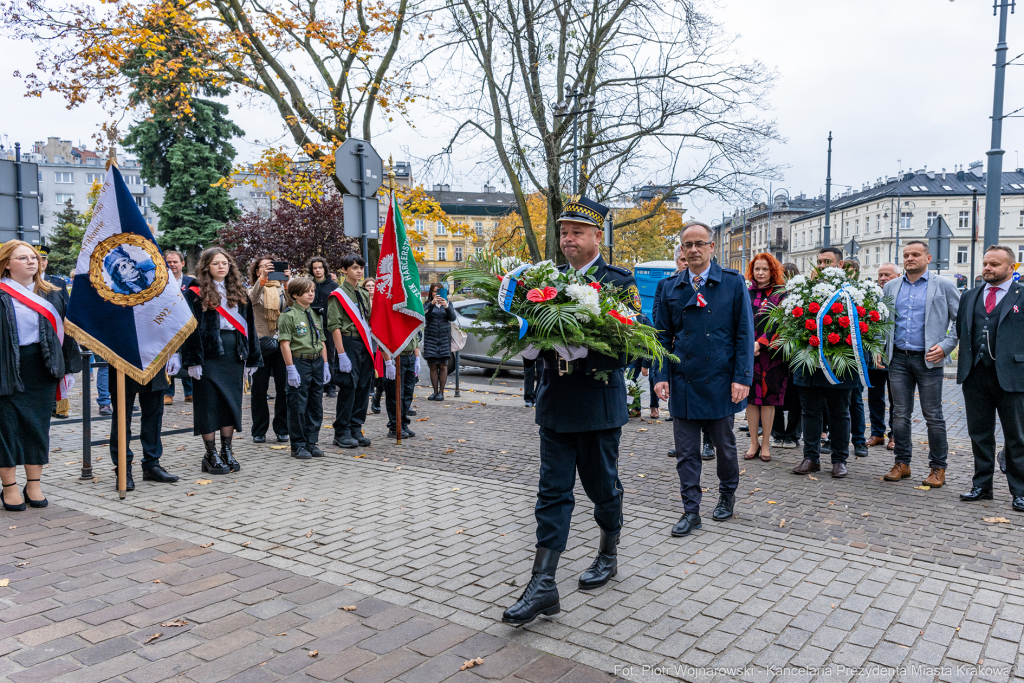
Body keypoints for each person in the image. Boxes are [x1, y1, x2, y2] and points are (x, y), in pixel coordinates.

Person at [503, 196, 636, 626]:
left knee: (603, 490)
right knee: (552, 493)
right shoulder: (545, 279)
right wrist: (529, 343)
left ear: (598, 236)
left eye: (577, 232)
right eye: (563, 231)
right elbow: (529, 333)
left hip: (598, 404)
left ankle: (608, 552)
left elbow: (630, 348)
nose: (568, 239)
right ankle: (543, 584)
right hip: (556, 401)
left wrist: (584, 350)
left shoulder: (619, 282)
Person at [653, 222, 754, 537]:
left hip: (721, 380)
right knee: (685, 452)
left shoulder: (733, 284)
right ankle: (690, 510)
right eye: (688, 244)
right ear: (681, 250)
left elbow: (744, 335)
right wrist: (660, 376)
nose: (694, 249)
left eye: (700, 243)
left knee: (724, 447)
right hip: (683, 380)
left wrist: (742, 378)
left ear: (712, 247)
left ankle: (727, 492)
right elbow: (661, 337)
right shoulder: (669, 287)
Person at [0, 241, 81, 511]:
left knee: (37, 427)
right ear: (7, 263)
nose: (32, 262)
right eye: (22, 258)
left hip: (42, 365)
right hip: (6, 365)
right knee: (7, 428)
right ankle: (9, 487)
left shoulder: (53, 293)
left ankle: (33, 483)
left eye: (34, 257)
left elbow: (67, 333)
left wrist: (68, 368)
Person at [882, 241, 960, 489]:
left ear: (928, 257)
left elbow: (960, 321)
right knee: (900, 415)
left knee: (933, 416)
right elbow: (882, 321)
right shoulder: (892, 286)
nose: (910, 259)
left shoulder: (944, 285)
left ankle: (938, 468)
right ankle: (902, 464)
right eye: (906, 255)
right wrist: (880, 349)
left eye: (915, 254)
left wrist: (946, 346)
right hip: (899, 360)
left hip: (930, 360)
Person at [182, 247, 262, 474]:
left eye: (225, 263)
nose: (221, 267)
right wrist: (193, 360)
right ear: (206, 266)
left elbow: (250, 327)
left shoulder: (239, 291)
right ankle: (210, 454)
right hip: (207, 354)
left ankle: (227, 450)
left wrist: (253, 358)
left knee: (230, 403)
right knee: (208, 405)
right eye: (216, 263)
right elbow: (190, 329)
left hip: (233, 352)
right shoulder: (195, 292)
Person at [956, 245, 1024, 512]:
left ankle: (1020, 491)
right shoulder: (970, 296)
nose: (987, 268)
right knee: (979, 434)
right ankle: (982, 486)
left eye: (994, 265)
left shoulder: (1021, 295)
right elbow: (964, 331)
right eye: (985, 263)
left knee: (1017, 437)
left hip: (1012, 376)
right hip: (975, 374)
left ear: (1011, 268)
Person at [792, 247, 857, 478]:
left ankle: (839, 460)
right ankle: (811, 457)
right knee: (810, 412)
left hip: (839, 364)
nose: (821, 266)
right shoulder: (805, 290)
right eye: (819, 262)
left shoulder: (852, 292)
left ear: (840, 265)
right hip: (809, 362)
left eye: (827, 261)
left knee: (840, 412)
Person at [657, 246, 715, 460]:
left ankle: (708, 442)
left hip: (705, 355)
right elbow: (659, 317)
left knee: (707, 402)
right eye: (681, 259)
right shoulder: (667, 285)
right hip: (679, 355)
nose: (685, 262)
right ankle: (683, 442)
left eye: (686, 259)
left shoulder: (708, 284)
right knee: (681, 404)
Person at [109, 355, 182, 489]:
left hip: (153, 357)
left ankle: (151, 464)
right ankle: (123, 468)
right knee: (121, 416)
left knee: (154, 414)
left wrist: (173, 352)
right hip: (123, 357)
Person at [278, 277, 331, 459]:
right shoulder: (288, 315)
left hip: (316, 361)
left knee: (315, 404)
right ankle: (298, 444)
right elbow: (285, 343)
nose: (311, 294)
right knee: (298, 404)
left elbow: (322, 340)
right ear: (295, 294)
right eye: (307, 290)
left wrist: (325, 364)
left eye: (313, 290)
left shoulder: (315, 314)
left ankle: (311, 442)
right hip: (299, 361)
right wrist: (290, 368)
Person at [328, 253, 374, 449]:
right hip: (348, 343)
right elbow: (334, 326)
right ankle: (342, 431)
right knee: (349, 387)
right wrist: (341, 354)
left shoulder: (363, 294)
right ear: (344, 270)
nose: (359, 271)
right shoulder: (338, 295)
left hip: (364, 344)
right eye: (354, 267)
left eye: (361, 267)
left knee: (363, 387)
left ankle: (356, 426)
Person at [745, 253, 787, 462]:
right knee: (751, 399)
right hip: (747, 353)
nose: (760, 273)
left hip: (772, 354)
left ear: (773, 271)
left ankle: (767, 444)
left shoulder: (782, 294)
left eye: (765, 269)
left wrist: (760, 343)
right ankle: (754, 442)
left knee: (768, 399)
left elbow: (781, 324)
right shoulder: (746, 292)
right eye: (757, 269)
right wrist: (747, 345)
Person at [248, 255, 291, 444]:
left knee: (283, 388)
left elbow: (294, 305)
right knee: (259, 389)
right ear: (257, 271)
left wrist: (288, 283)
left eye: (271, 267)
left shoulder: (284, 289)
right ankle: (259, 430)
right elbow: (250, 300)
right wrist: (262, 280)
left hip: (282, 343)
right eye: (263, 267)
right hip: (261, 345)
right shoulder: (255, 289)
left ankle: (282, 428)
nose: (268, 270)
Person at [867, 263, 899, 450]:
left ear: (897, 275)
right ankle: (877, 433)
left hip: (895, 355)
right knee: (875, 396)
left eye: (887, 274)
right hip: (875, 354)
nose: (882, 278)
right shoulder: (872, 297)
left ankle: (895, 435)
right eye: (880, 275)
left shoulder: (900, 296)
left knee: (896, 397)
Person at [771, 263, 802, 449]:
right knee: (782, 394)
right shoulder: (774, 296)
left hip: (790, 351)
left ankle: (783, 434)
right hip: (779, 350)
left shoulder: (800, 296)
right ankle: (789, 434)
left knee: (791, 394)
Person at [164, 250, 195, 405]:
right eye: (169, 262)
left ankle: (189, 392)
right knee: (168, 358)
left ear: (182, 264)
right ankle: (168, 392)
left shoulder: (191, 282)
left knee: (187, 356)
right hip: (167, 327)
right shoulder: (161, 281)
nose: (172, 265)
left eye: (175, 262)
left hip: (187, 325)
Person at [307, 256, 339, 399]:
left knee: (330, 355)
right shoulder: (308, 284)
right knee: (315, 354)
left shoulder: (333, 286)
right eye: (315, 268)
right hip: (311, 324)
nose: (318, 270)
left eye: (320, 267)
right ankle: (317, 384)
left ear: (325, 269)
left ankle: (330, 385)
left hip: (328, 325)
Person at [423, 282, 456, 401]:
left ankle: (441, 392)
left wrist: (446, 305)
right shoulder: (427, 304)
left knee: (443, 365)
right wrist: (432, 304)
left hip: (443, 338)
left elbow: (452, 318)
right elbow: (423, 315)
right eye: (434, 291)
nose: (437, 293)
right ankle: (434, 392)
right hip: (431, 338)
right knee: (432, 366)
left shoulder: (448, 304)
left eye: (439, 291)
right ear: (431, 293)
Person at [383, 336, 421, 438]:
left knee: (408, 393)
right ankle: (395, 426)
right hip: (396, 357)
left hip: (410, 357)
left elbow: (415, 339)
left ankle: (403, 423)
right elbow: (382, 341)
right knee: (395, 394)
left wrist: (417, 358)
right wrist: (388, 363)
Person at [363, 277, 385, 414]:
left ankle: (377, 395)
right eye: (368, 285)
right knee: (368, 364)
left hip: (379, 338)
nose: (371, 287)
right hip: (366, 337)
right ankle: (370, 388)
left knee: (381, 369)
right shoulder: (362, 302)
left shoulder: (381, 301)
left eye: (373, 285)